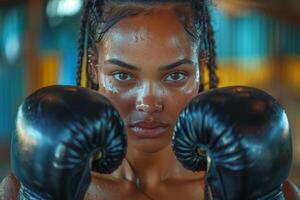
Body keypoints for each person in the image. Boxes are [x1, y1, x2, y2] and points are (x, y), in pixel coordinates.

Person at [0, 0, 299, 199]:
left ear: (201, 69)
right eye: (123, 76)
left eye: (175, 76)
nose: (148, 103)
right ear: (95, 68)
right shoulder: (37, 187)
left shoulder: (253, 185)